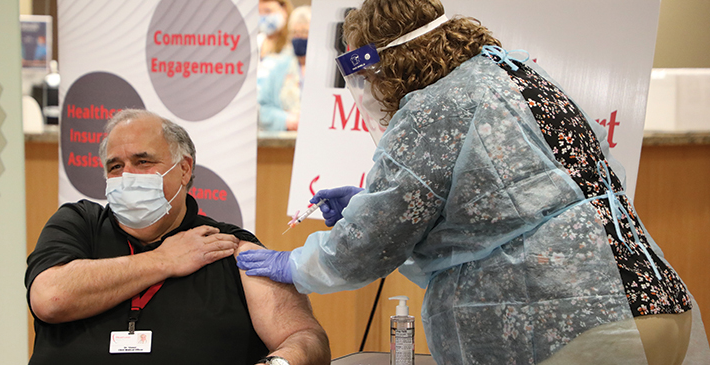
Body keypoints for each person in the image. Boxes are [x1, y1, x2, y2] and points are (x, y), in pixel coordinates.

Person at [238, 1, 710, 364]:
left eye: (362, 74)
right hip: (654, 303)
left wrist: (293, 264)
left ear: (386, 62)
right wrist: (369, 204)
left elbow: (366, 248)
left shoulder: (433, 108)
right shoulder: (510, 73)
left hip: (571, 325)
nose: (364, 90)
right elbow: (501, 212)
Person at [26, 109, 330, 365]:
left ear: (184, 169)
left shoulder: (224, 246)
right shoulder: (78, 224)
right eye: (115, 166)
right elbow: (50, 298)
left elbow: (305, 337)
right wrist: (164, 260)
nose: (127, 175)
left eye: (142, 161)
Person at [258, 5, 310, 132]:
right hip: (286, 139)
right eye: (295, 33)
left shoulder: (324, 70)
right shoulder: (280, 67)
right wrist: (285, 119)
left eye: (304, 32)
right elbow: (263, 108)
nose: (299, 37)